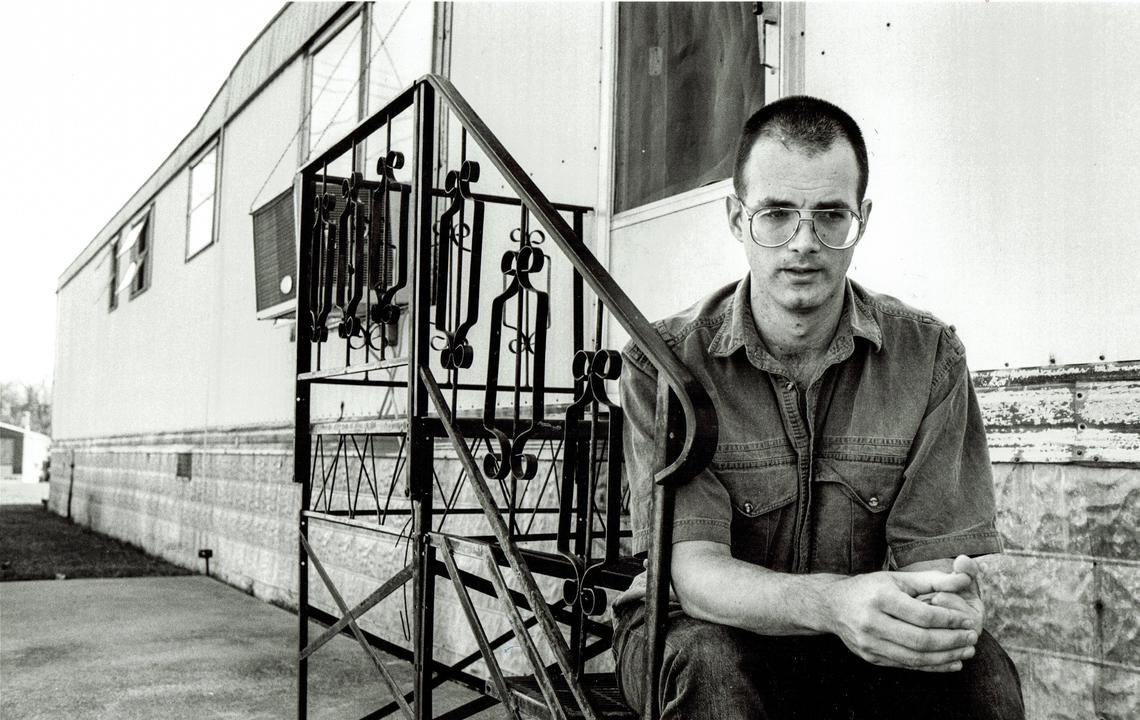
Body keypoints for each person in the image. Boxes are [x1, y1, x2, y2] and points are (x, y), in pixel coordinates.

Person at [612, 96, 1024, 719]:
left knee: (981, 673)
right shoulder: (666, 364)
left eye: (830, 215)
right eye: (776, 213)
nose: (803, 243)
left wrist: (940, 608)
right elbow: (695, 575)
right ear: (737, 218)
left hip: (849, 638)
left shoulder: (929, 357)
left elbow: (932, 562)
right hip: (693, 628)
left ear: (862, 219)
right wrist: (834, 604)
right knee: (712, 667)